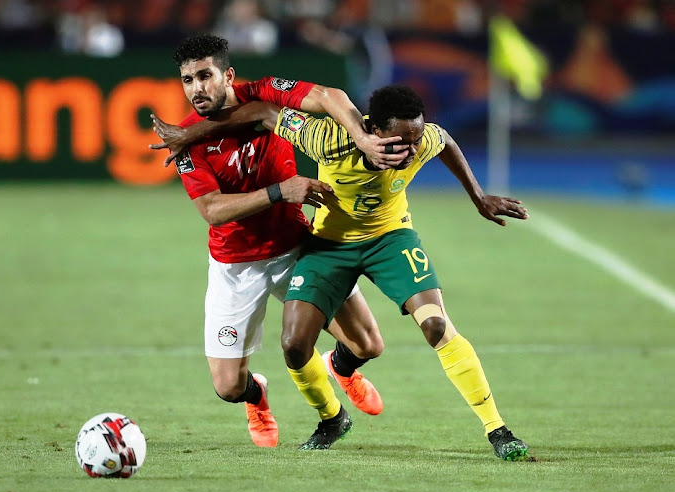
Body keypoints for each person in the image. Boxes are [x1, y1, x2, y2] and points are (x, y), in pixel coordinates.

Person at [185, 85, 531, 458]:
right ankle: (332, 419)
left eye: (416, 140)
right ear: (373, 131)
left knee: (436, 325)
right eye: (401, 141)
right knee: (294, 345)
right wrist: (187, 135)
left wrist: (478, 196)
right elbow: (264, 113)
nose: (412, 150)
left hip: (391, 238)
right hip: (330, 247)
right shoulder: (326, 138)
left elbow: (443, 139)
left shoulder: (420, 139)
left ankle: (498, 430)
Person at [149, 34, 407, 448]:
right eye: (187, 80)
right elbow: (212, 210)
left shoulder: (266, 92)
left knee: (368, 344)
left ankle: (340, 368)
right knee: (228, 387)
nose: (197, 88)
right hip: (236, 266)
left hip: (298, 251)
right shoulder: (185, 137)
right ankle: (258, 397)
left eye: (205, 76)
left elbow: (328, 95)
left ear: (227, 75)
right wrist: (279, 191)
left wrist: (361, 136)